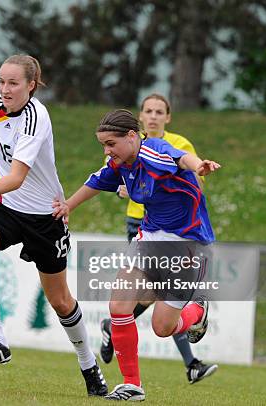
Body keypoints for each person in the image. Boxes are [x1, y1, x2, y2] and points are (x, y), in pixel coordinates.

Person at [0, 54, 108, 397]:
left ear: (31, 86)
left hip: (45, 217)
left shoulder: (36, 118)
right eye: (1, 81)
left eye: (13, 83)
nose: (4, 89)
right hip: (4, 206)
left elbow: (17, 177)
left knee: (61, 301)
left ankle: (89, 367)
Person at [52, 109, 221, 401]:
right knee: (119, 305)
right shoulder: (118, 163)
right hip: (151, 237)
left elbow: (181, 157)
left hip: (188, 243)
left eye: (110, 143)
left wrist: (199, 166)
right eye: (103, 144)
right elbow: (96, 181)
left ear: (132, 136)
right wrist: (68, 206)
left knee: (162, 327)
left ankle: (197, 311)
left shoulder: (154, 152)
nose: (107, 150)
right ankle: (132, 385)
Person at [100, 94, 218, 385]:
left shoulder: (177, 144)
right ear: (139, 118)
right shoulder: (117, 142)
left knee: (159, 301)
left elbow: (193, 176)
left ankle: (117, 328)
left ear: (168, 117)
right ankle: (184, 362)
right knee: (147, 296)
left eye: (159, 112)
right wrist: (124, 189)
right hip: (140, 224)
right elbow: (115, 180)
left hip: (177, 231)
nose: (153, 116)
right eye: (148, 111)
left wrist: (195, 167)